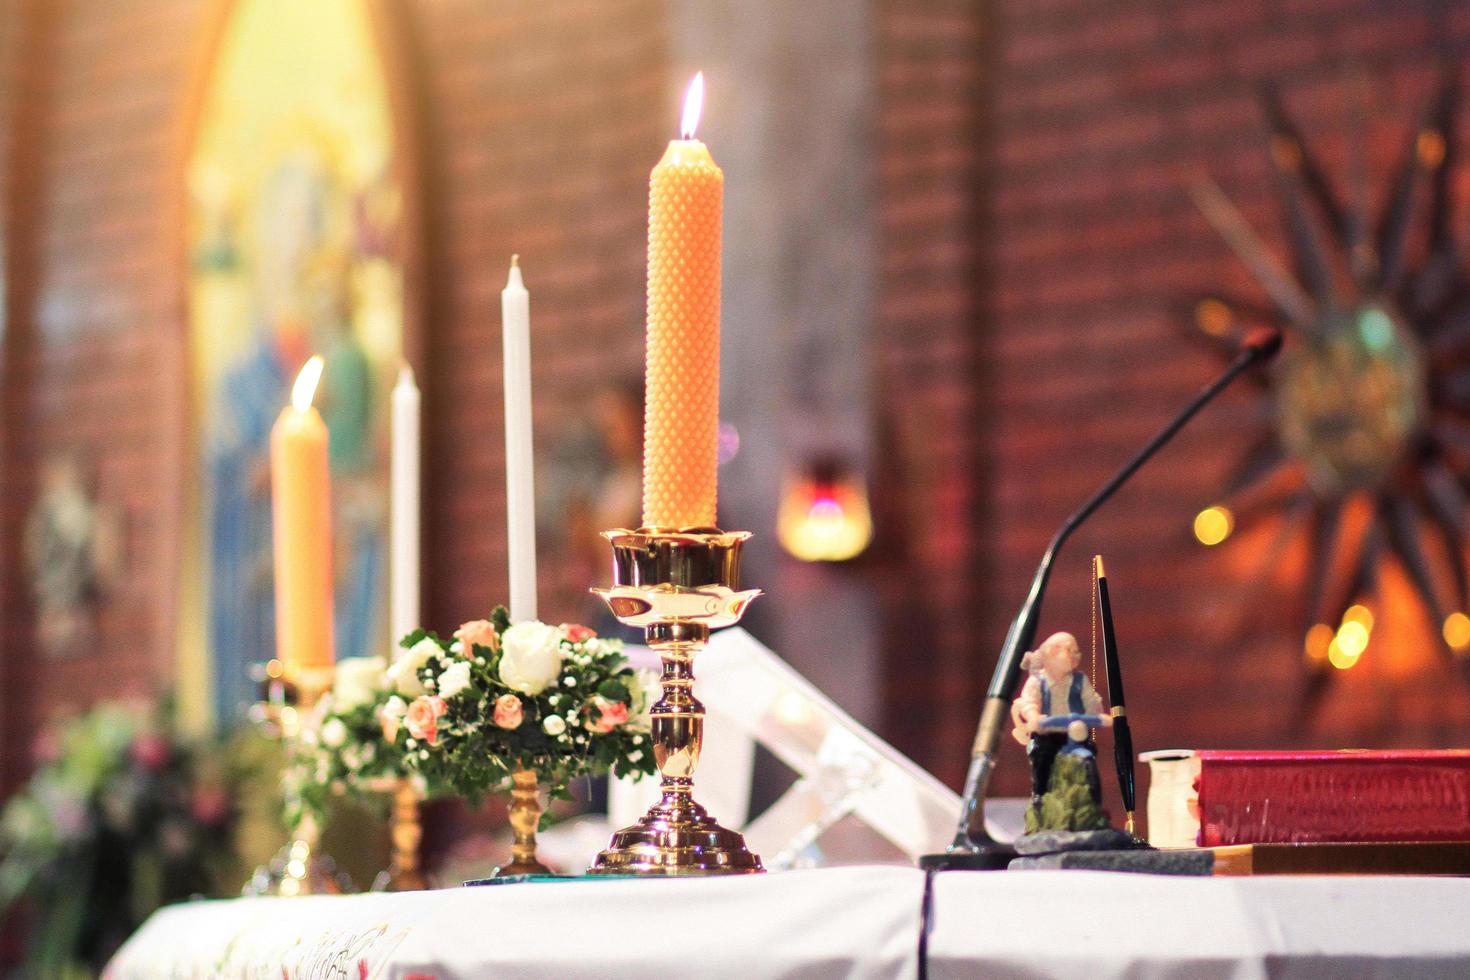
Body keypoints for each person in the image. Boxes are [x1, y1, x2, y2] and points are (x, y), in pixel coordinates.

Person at [1009, 631, 1111, 810]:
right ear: (1052, 653)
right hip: (1047, 733)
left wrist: (1098, 714)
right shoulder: (1037, 682)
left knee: (1088, 755)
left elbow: (1090, 699)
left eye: (1077, 651)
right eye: (1069, 651)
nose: (1075, 656)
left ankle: (1091, 803)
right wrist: (1033, 716)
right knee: (1043, 759)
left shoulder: (1080, 681)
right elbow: (1029, 701)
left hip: (1074, 732)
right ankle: (1040, 798)